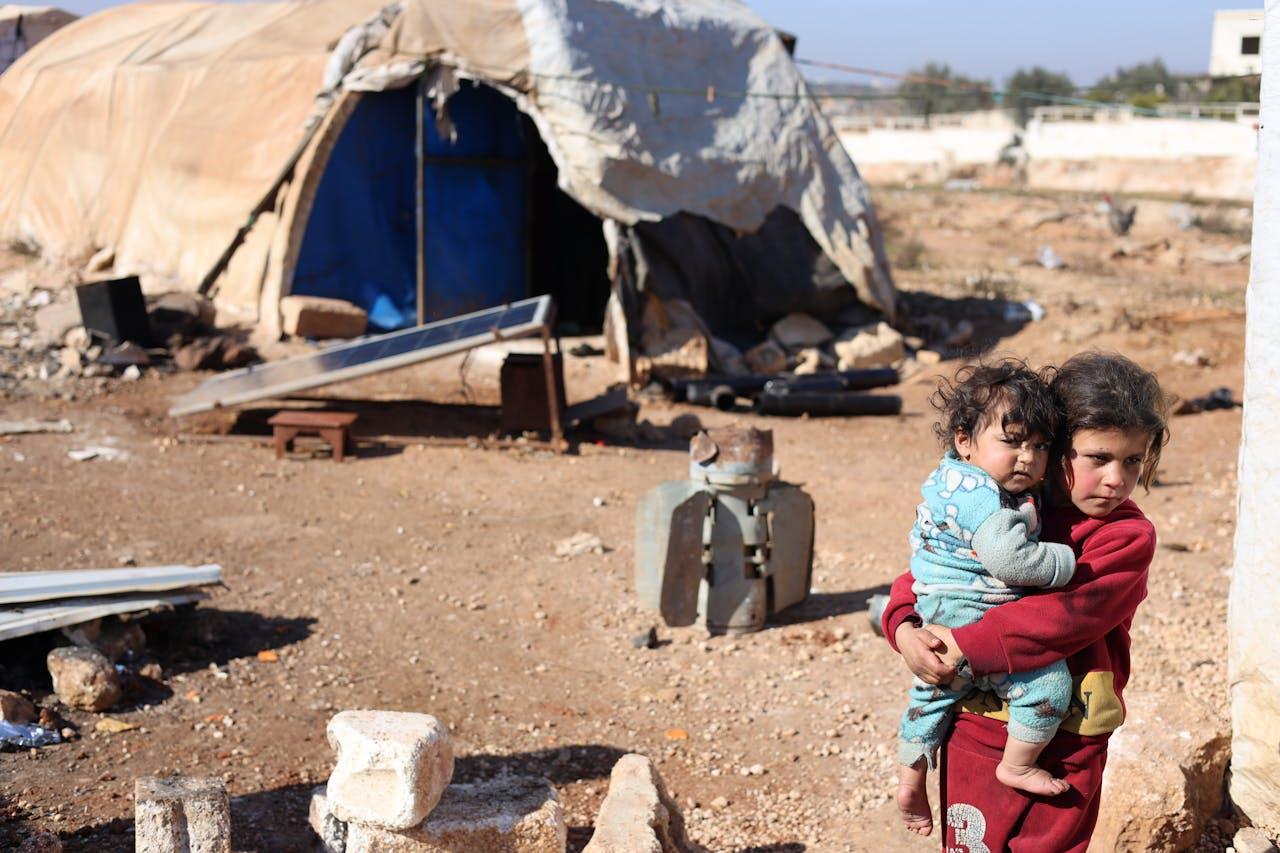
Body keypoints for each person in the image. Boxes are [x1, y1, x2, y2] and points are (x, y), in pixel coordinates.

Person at [883, 351, 1170, 852]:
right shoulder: (1007, 508)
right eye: (1097, 457)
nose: (1116, 479)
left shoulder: (1125, 536)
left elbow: (1062, 618)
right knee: (970, 842)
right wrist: (903, 626)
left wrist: (965, 645)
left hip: (1066, 737)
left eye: (1132, 460)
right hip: (974, 723)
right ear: (1055, 449)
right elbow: (935, 568)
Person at [895, 359, 1078, 837]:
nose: (1027, 458)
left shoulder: (952, 479)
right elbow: (1010, 561)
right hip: (973, 609)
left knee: (934, 694)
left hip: (937, 606)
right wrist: (1064, 561)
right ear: (964, 440)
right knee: (1049, 686)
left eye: (1039, 446)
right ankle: (1017, 764)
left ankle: (911, 772)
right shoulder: (982, 496)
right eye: (1012, 441)